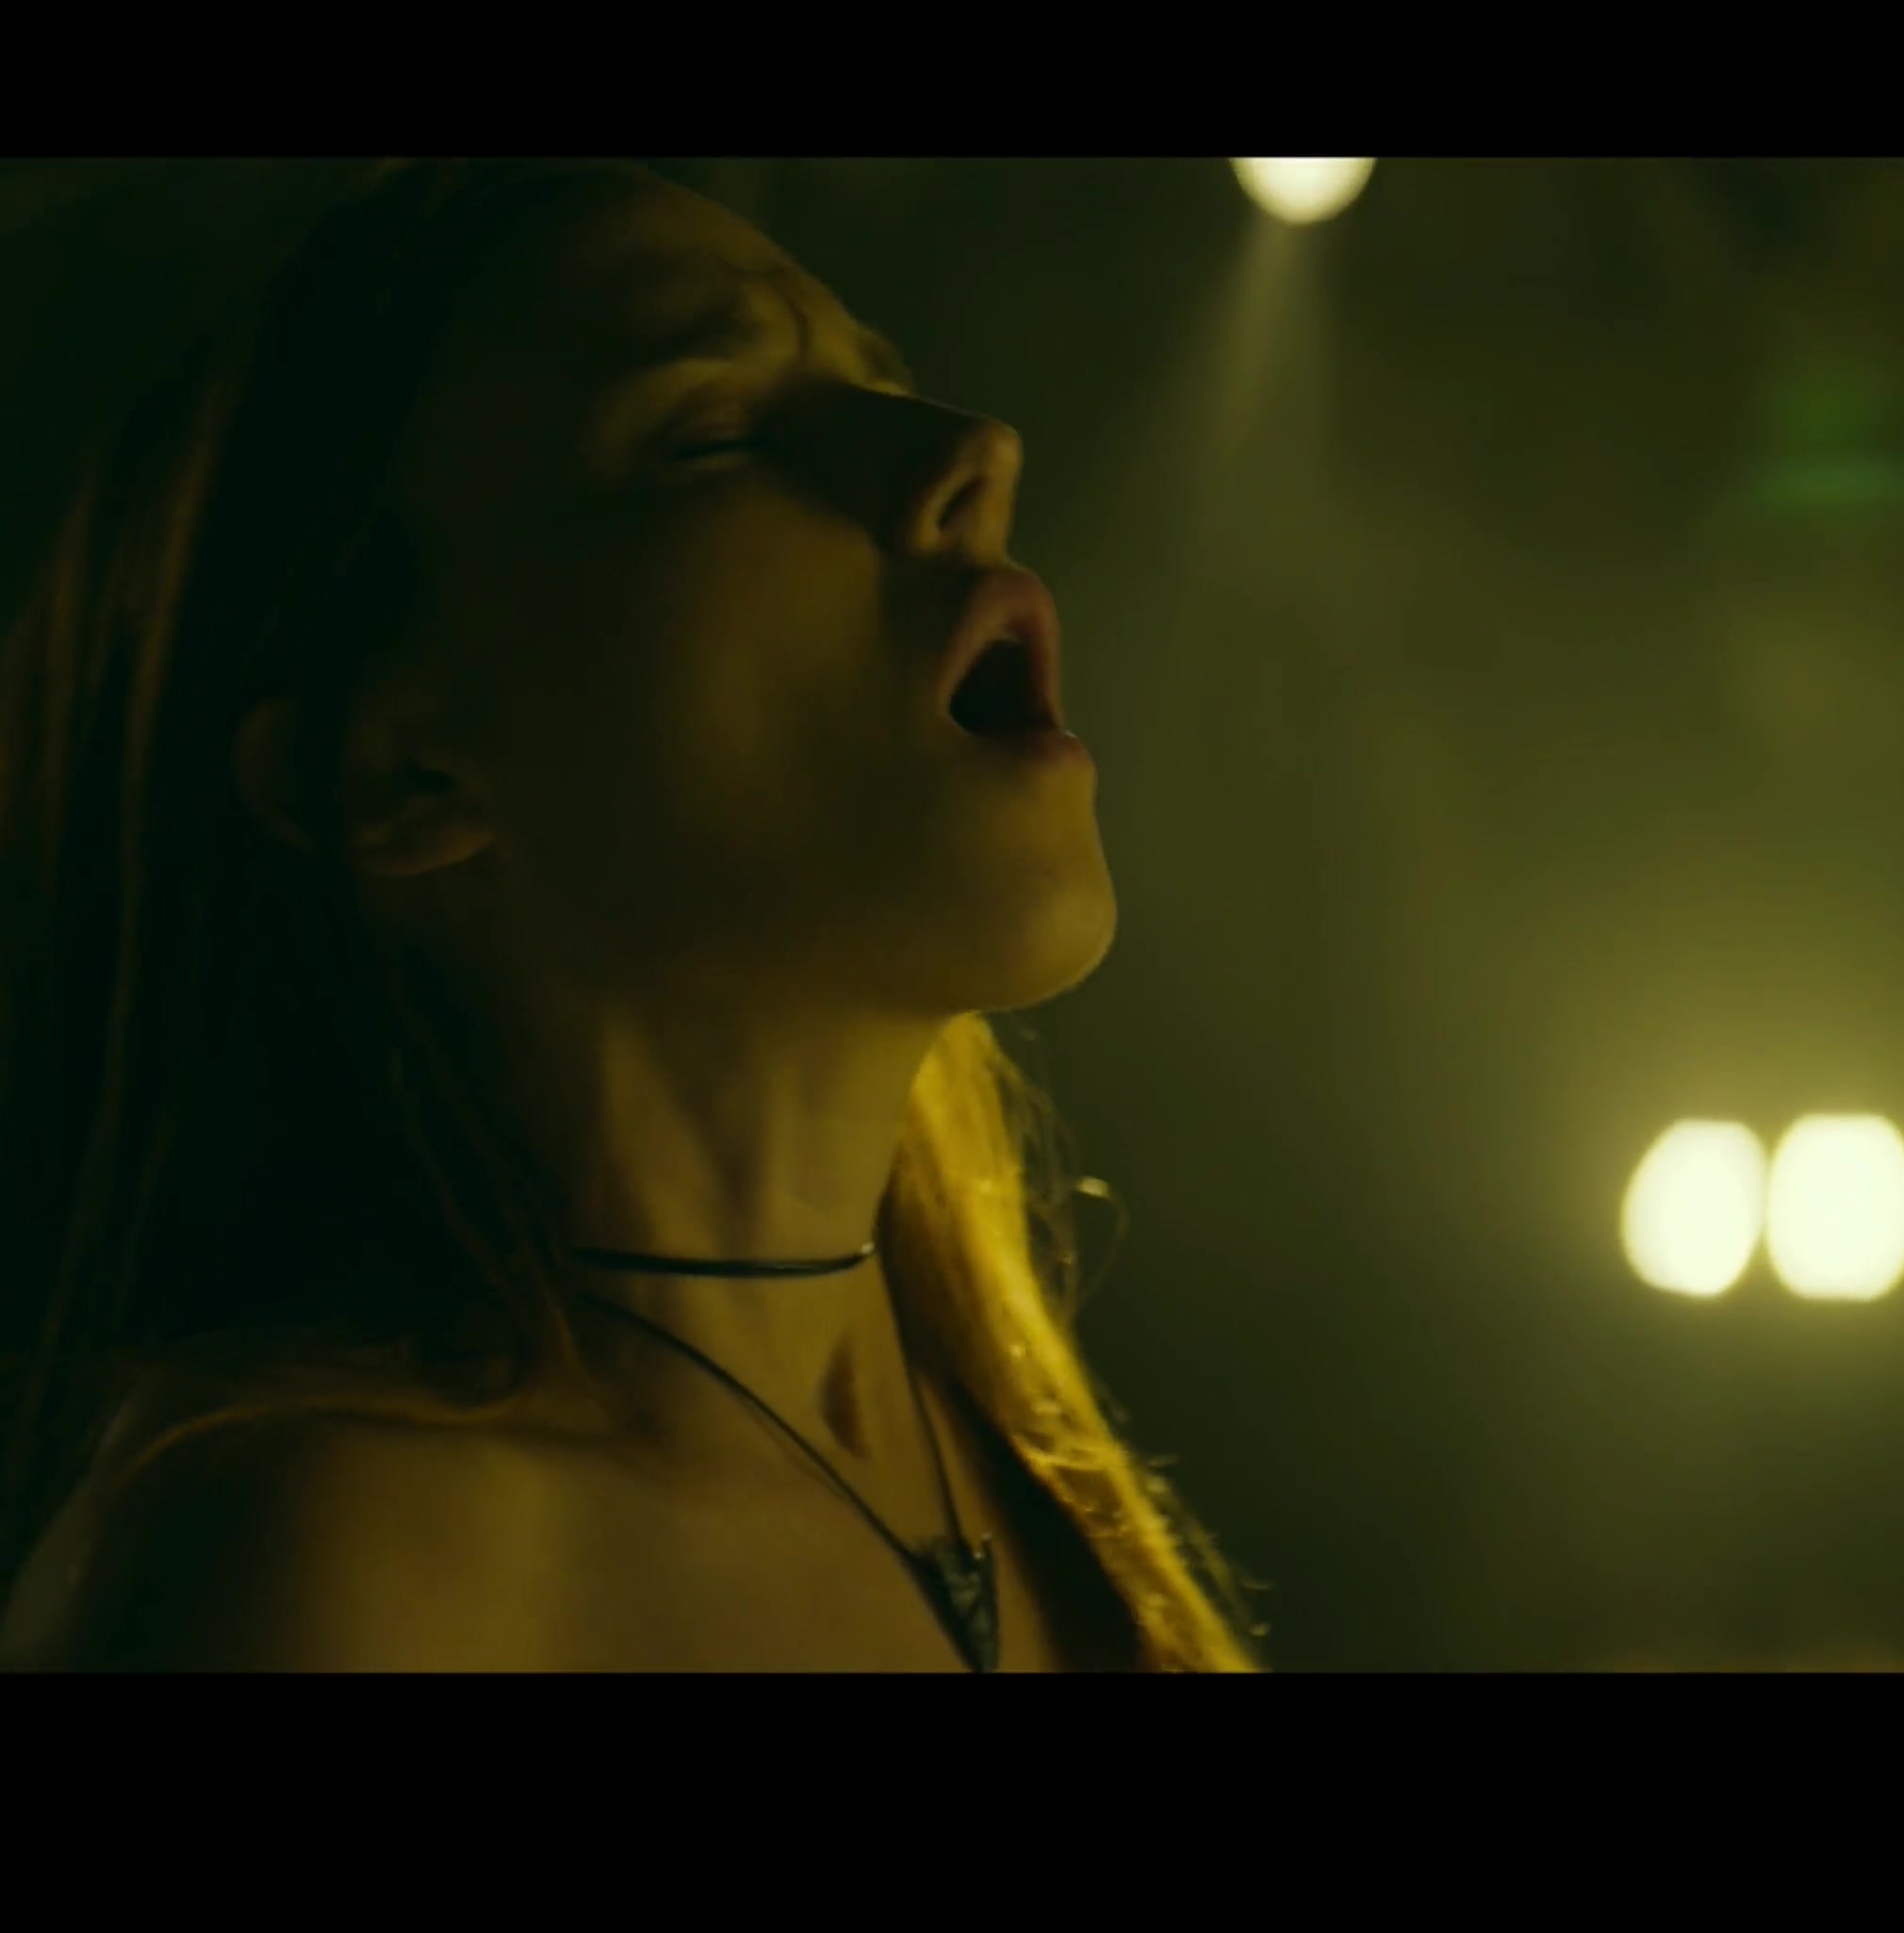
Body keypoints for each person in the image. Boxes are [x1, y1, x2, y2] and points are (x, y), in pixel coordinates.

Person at [0, 160, 1260, 1670]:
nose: (971, 453)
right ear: (404, 769)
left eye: (879, 383)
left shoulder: (1025, 1472)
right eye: (710, 433)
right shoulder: (348, 1570)